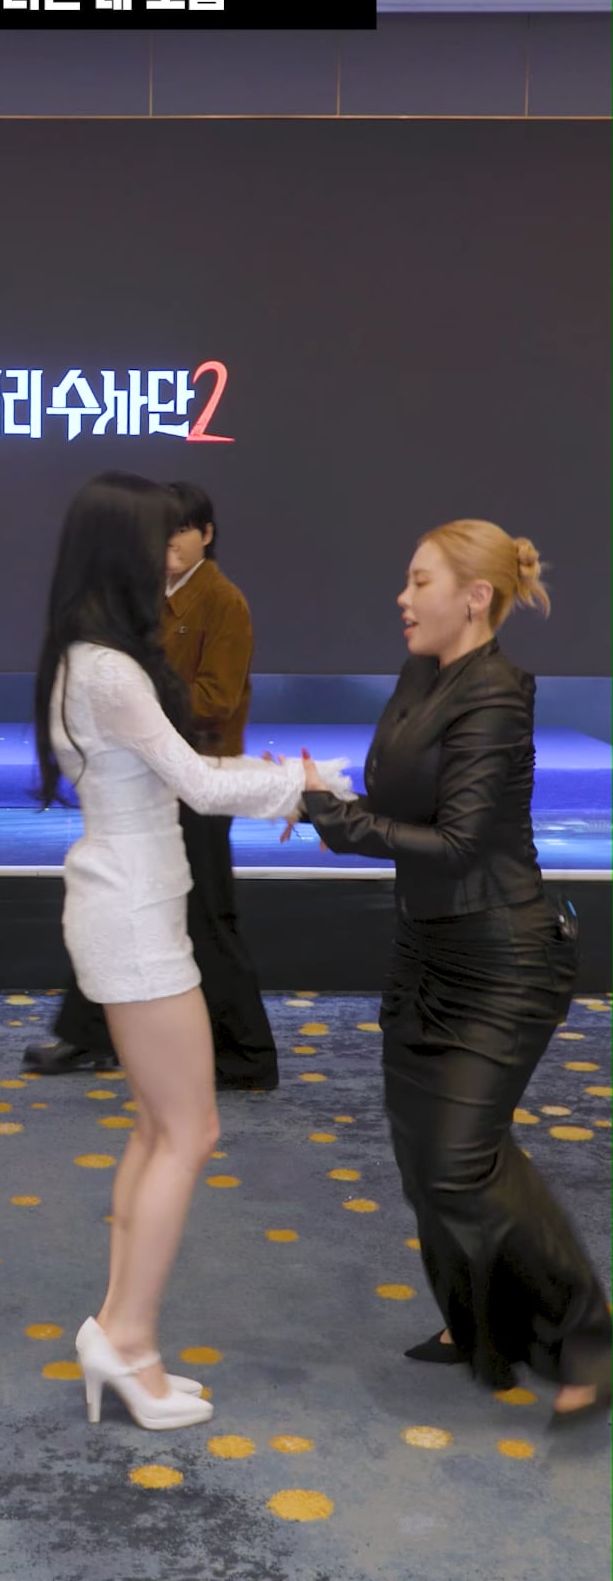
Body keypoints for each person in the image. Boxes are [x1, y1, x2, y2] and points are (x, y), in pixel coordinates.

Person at [36, 472, 353, 1431]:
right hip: (134, 914)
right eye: (153, 538)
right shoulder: (109, 669)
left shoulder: (84, 658)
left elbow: (190, 776)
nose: (166, 553)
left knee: (157, 1129)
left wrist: (287, 782)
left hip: (131, 902)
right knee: (189, 1131)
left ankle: (118, 1333)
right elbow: (200, 786)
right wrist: (304, 783)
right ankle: (129, 1342)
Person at [299, 520, 612, 1425]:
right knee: (420, 1155)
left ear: (475, 598)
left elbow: (460, 842)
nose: (402, 598)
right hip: (427, 949)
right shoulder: (420, 674)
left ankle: (592, 1340)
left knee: (459, 1161)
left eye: (419, 581)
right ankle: (483, 1325)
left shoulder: (499, 693)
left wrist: (334, 819)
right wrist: (329, 800)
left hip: (505, 958)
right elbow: (399, 802)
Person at [26, 480, 279, 1089]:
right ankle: (90, 1032)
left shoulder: (222, 601)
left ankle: (248, 1054)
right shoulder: (137, 607)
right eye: (160, 532)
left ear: (207, 534)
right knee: (128, 907)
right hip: (153, 775)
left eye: (181, 530)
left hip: (200, 770)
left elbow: (217, 699)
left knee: (207, 914)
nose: (168, 544)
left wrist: (139, 704)